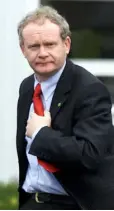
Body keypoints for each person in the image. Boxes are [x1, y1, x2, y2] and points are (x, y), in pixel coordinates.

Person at [16, 5, 114, 210]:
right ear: (23, 49)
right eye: (34, 46)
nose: (42, 53)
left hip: (73, 204)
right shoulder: (27, 87)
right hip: (33, 202)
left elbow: (90, 155)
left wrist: (41, 134)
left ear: (66, 44)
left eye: (50, 44)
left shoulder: (90, 89)